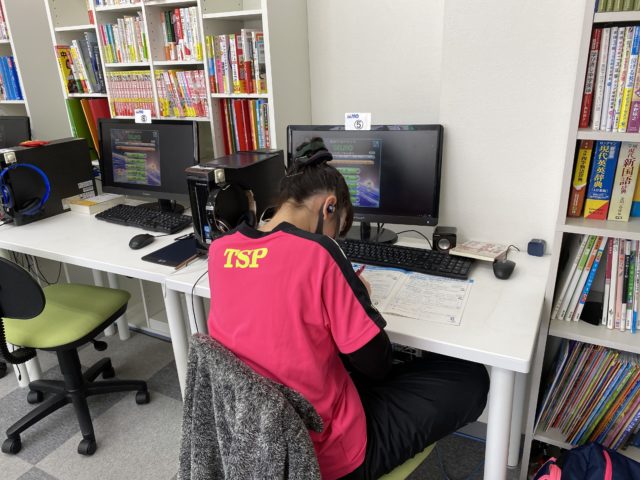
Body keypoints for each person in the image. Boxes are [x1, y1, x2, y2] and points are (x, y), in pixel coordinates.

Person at [206, 138, 490, 480]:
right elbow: (378, 364)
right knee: (470, 377)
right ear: (329, 206)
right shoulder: (319, 254)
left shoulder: (220, 251)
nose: (335, 240)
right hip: (324, 456)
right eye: (337, 232)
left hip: (257, 445)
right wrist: (359, 298)